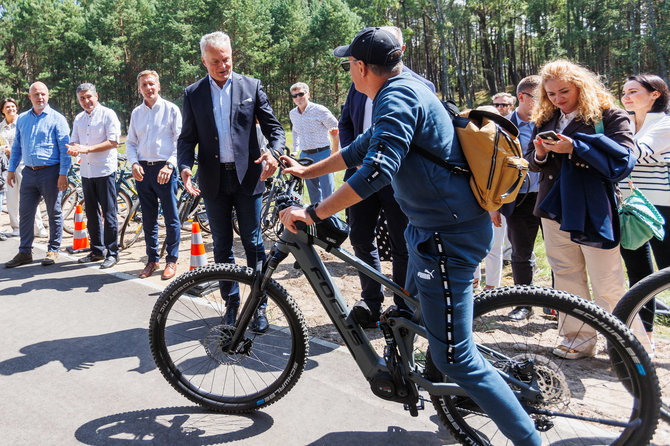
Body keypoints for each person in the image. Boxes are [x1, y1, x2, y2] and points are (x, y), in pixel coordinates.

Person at [280, 27, 541, 445]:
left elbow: (378, 169)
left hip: (446, 235)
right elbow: (362, 147)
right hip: (430, 227)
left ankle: (529, 440)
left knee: (456, 359)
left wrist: (314, 211)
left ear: (362, 67)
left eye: (349, 64)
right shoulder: (406, 87)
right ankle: (415, 365)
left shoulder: (395, 95)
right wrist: (306, 171)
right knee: (408, 311)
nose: (349, 71)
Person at [526, 60, 643, 359]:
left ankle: (628, 345)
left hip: (595, 208)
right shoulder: (547, 117)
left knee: (607, 281)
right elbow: (531, 161)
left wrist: (576, 149)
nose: (557, 99)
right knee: (565, 276)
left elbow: (625, 162)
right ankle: (576, 339)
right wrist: (540, 153)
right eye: (550, 94)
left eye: (563, 91)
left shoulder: (611, 115)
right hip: (554, 206)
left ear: (582, 85)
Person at [178, 31, 285, 332]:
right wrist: (185, 167)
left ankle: (259, 305)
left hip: (249, 177)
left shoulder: (251, 86)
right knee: (222, 246)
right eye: (215, 61)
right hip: (212, 181)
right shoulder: (193, 93)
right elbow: (186, 140)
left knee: (253, 244)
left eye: (226, 59)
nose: (223, 66)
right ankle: (231, 304)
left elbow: (276, 131)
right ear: (204, 61)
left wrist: (274, 154)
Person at [338, 25, 434, 328]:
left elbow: (397, 147)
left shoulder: (415, 87)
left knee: (401, 244)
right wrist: (354, 161)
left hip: (396, 181)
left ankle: (403, 308)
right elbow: (348, 126)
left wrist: (316, 210)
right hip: (363, 172)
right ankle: (370, 301)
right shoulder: (360, 83)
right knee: (360, 239)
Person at [619, 74, 670, 343]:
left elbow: (635, 153)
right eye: (624, 92)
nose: (626, 97)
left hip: (661, 207)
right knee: (638, 275)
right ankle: (643, 335)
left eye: (633, 91)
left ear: (655, 94)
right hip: (629, 207)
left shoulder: (665, 124)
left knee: (667, 270)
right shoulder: (626, 124)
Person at [5, 82, 71, 267]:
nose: (40, 97)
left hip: (51, 172)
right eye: (36, 94)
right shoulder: (23, 119)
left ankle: (53, 250)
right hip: (29, 173)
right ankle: (25, 252)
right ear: (29, 97)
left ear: (48, 95)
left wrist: (63, 173)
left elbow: (65, 149)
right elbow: (17, 147)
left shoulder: (57, 119)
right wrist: (11, 170)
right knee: (25, 213)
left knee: (54, 212)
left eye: (43, 94)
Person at [126, 70, 182, 280]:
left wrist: (170, 165)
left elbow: (180, 142)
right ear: (139, 88)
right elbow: (131, 143)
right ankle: (152, 259)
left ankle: (171, 260)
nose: (148, 88)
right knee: (148, 218)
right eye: (144, 85)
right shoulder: (136, 113)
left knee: (170, 217)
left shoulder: (171, 110)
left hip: (164, 169)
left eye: (151, 84)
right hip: (143, 170)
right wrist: (133, 163)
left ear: (158, 85)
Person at [66, 83, 122, 269]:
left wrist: (87, 149)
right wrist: (73, 149)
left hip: (104, 170)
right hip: (86, 172)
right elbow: (74, 141)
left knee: (109, 213)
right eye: (82, 98)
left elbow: (113, 141)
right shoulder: (79, 118)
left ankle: (112, 253)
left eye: (89, 96)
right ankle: (97, 251)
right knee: (91, 213)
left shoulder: (108, 114)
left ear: (96, 96)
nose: (86, 101)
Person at [499, 75, 542, 320]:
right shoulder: (501, 126)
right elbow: (493, 167)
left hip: (548, 196)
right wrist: (494, 206)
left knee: (559, 255)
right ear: (522, 98)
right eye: (539, 98)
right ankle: (523, 304)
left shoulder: (551, 122)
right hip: (518, 197)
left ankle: (557, 304)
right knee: (519, 253)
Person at [0, 97, 48, 238]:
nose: (11, 109)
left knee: (30, 196)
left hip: (23, 164)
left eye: (13, 106)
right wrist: (4, 149)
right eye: (7, 107)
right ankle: (16, 227)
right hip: (6, 167)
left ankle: (38, 228)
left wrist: (14, 150)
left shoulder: (23, 122)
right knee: (11, 198)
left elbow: (30, 140)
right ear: (2, 110)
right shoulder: (1, 127)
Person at [288, 82, 339, 203]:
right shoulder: (293, 114)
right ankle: (318, 221)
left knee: (328, 194)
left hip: (323, 155)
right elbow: (295, 131)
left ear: (308, 94)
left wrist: (335, 152)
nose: (298, 98)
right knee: (313, 193)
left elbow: (336, 128)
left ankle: (332, 220)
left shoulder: (320, 110)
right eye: (294, 96)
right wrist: (296, 148)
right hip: (305, 156)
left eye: (301, 94)